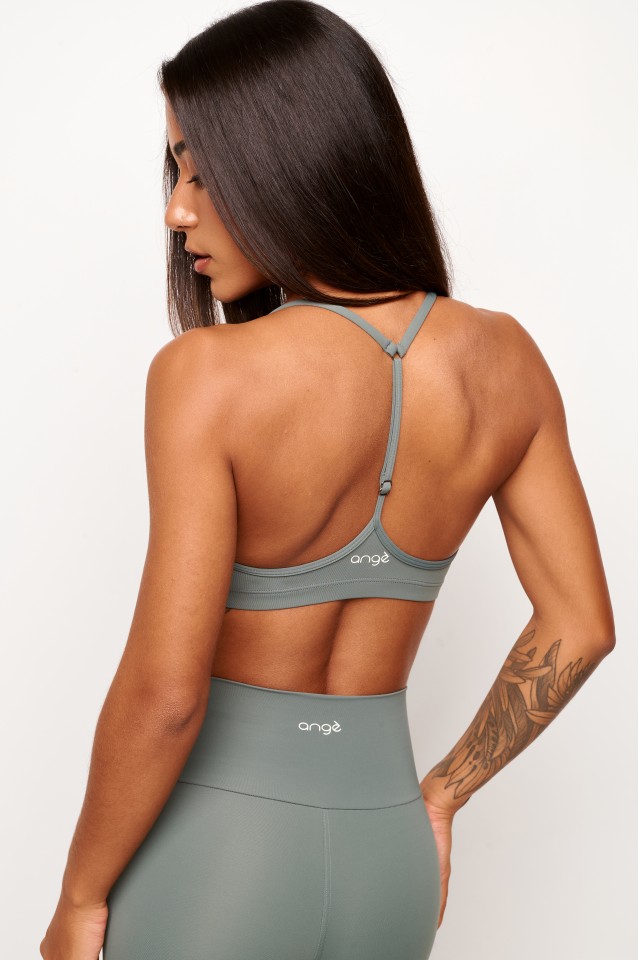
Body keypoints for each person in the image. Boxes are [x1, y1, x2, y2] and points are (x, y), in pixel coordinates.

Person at [39, 2, 616, 958]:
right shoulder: (506, 361)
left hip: (218, 861)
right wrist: (443, 795)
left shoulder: (208, 376)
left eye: (202, 170)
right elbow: (583, 624)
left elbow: (166, 694)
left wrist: (79, 897)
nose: (178, 209)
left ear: (286, 158)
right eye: (176, 172)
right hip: (390, 859)